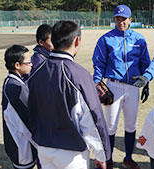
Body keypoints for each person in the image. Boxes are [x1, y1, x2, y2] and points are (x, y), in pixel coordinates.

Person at [27, 20, 111, 169]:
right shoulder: (79, 75)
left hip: (44, 149)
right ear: (76, 41)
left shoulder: (36, 71)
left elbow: (31, 112)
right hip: (71, 154)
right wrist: (102, 155)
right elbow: (92, 118)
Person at [92, 4, 151, 169]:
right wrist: (97, 82)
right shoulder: (105, 39)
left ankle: (128, 158)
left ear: (130, 19)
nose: (121, 22)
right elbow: (99, 63)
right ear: (114, 20)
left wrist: (146, 83)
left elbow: (145, 63)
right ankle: (109, 159)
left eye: (124, 19)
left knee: (131, 125)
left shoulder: (139, 39)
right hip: (113, 86)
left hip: (133, 87)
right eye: (118, 18)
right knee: (110, 125)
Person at [1, 45, 38, 169]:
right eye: (28, 62)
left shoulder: (10, 82)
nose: (31, 65)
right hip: (22, 148)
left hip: (17, 145)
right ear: (17, 65)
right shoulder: (17, 89)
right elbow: (29, 122)